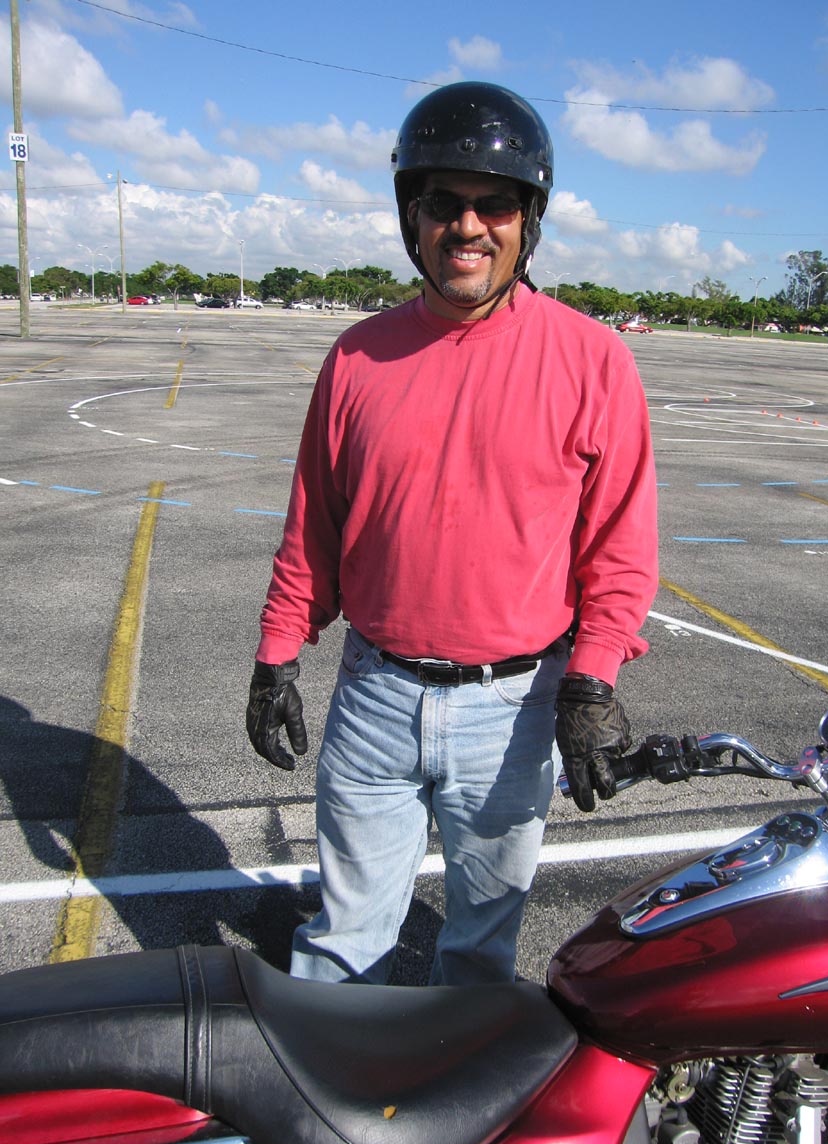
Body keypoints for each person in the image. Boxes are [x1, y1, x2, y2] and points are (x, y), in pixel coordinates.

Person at [246, 81, 658, 986]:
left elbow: (621, 554)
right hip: (375, 695)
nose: (467, 227)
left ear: (528, 221)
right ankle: (324, 1077)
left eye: (494, 204)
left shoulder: (593, 360)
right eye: (443, 203)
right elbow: (312, 530)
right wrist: (276, 655)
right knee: (342, 943)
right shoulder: (356, 357)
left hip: (513, 709)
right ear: (412, 216)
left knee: (478, 955)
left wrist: (592, 682)